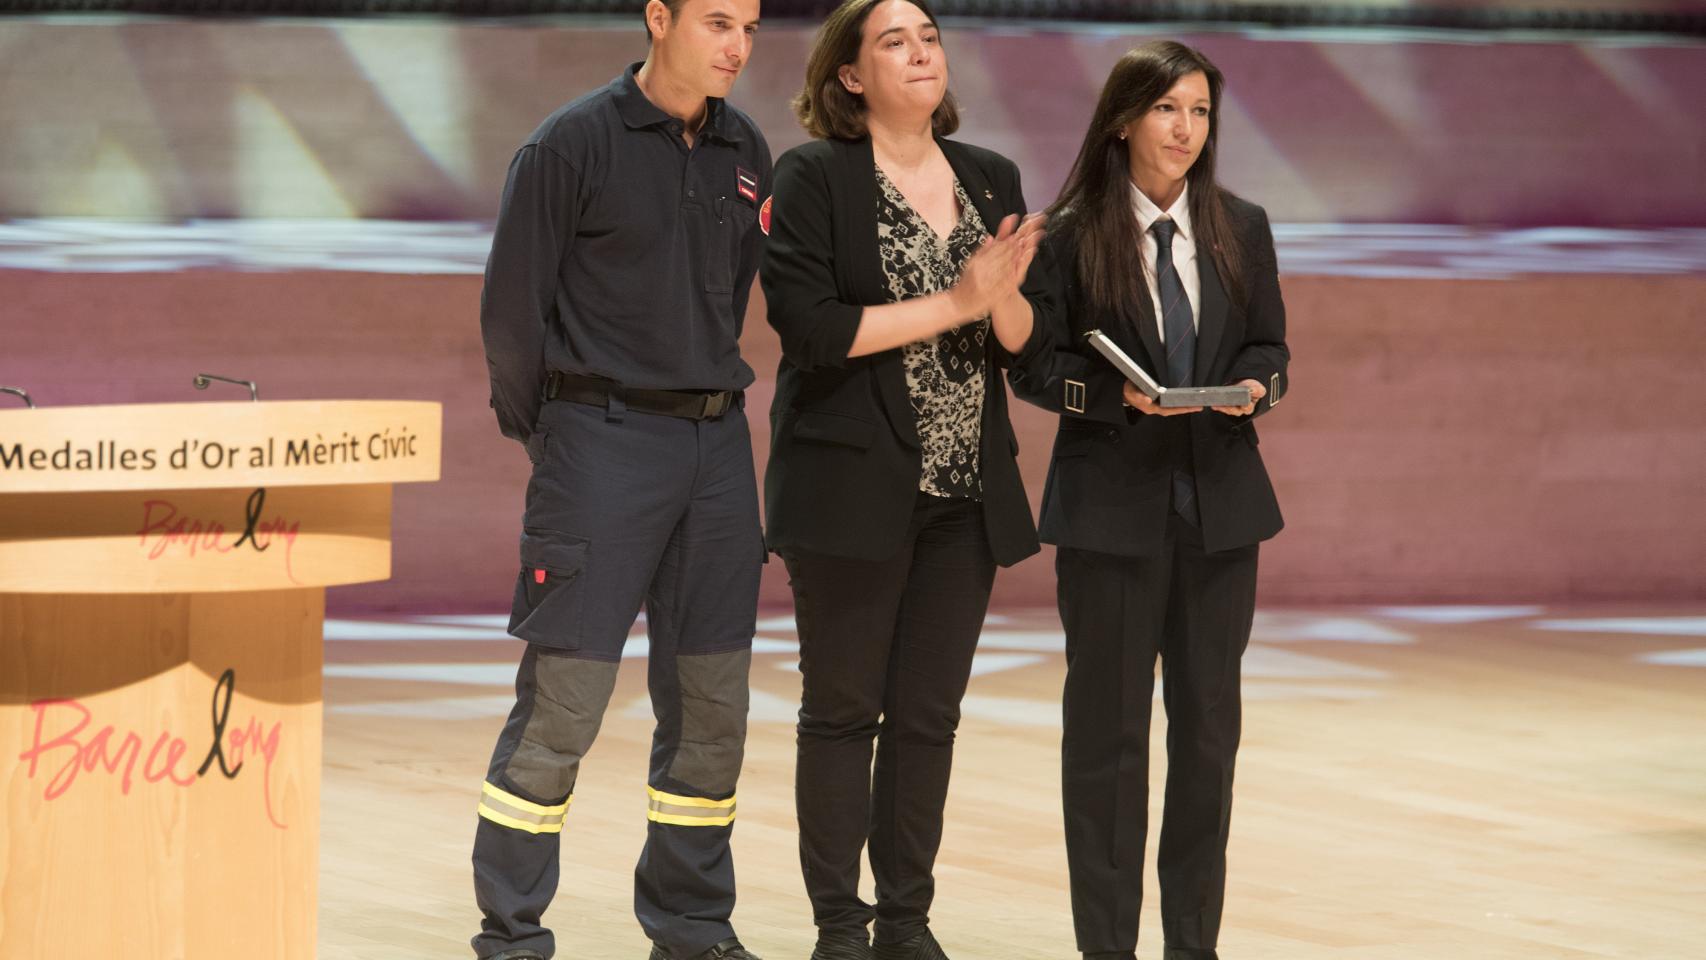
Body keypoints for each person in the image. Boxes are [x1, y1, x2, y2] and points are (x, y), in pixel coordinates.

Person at [471, 2, 770, 959]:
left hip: (717, 453)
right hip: (600, 445)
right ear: (659, 18)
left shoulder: (746, 147)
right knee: (565, 704)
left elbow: (731, 295)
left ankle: (691, 928)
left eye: (752, 28)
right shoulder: (570, 145)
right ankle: (513, 936)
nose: (737, 46)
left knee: (714, 704)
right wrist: (558, 438)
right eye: (718, 21)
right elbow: (511, 316)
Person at [758, 3, 1050, 959]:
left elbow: (1022, 341)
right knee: (843, 712)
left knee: (928, 719)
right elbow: (811, 329)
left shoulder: (989, 175)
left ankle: (906, 924)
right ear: (848, 75)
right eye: (893, 40)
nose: (920, 51)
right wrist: (956, 299)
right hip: (848, 490)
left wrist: (1001, 299)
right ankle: (840, 927)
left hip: (965, 492)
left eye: (928, 36)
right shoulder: (811, 177)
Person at [1008, 40, 1290, 960]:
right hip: (1110, 513)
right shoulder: (1071, 229)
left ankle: (1192, 948)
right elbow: (1037, 364)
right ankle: (1108, 949)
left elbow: (1269, 348)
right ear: (1125, 118)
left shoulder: (1240, 224)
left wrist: (1259, 388)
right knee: (1109, 745)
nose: (1185, 129)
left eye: (1201, 112)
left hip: (1221, 513)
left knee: (1208, 741)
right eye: (1168, 109)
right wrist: (1107, 396)